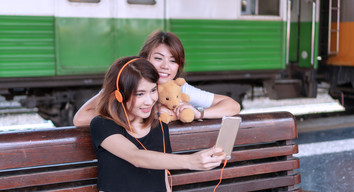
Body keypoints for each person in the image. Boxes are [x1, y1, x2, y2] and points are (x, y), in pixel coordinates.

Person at [61, 56, 225, 192]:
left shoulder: (160, 129)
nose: (149, 101)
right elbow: (135, 156)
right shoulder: (102, 124)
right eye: (140, 94)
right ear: (119, 94)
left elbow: (163, 184)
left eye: (153, 90)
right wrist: (191, 160)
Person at [73, 31, 240, 126]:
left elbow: (232, 105)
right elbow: (80, 118)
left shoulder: (179, 89)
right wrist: (142, 116)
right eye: (158, 58)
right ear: (145, 59)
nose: (165, 66)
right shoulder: (127, 80)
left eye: (173, 60)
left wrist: (199, 113)